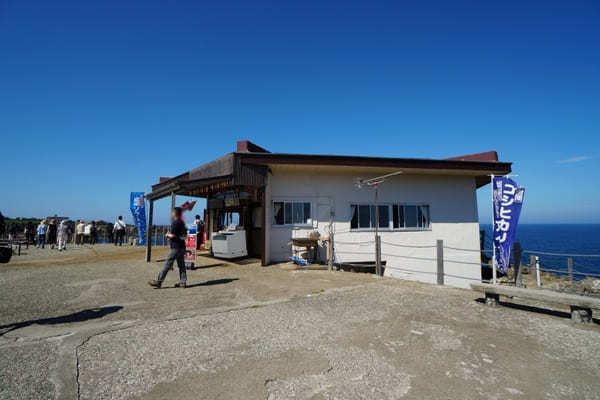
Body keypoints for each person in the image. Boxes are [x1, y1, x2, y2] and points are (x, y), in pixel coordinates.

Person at [148, 207, 187, 288]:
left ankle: (159, 281)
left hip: (175, 247)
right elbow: (184, 235)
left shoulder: (175, 223)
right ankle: (183, 282)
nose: (171, 214)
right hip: (182, 246)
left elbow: (172, 235)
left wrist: (167, 235)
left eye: (172, 212)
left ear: (175, 213)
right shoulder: (182, 223)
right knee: (181, 265)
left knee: (167, 264)